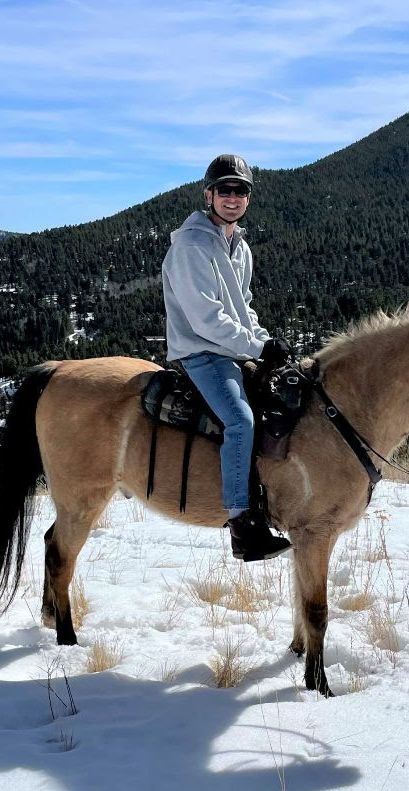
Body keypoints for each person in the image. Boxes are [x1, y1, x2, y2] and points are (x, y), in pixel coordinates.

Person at [162, 153, 293, 562]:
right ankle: (242, 526)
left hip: (232, 349)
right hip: (201, 352)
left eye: (240, 190)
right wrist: (256, 349)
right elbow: (206, 319)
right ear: (209, 194)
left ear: (249, 198)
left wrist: (266, 343)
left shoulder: (240, 248)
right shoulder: (191, 245)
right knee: (240, 420)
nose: (232, 197)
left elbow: (244, 309)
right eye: (225, 189)